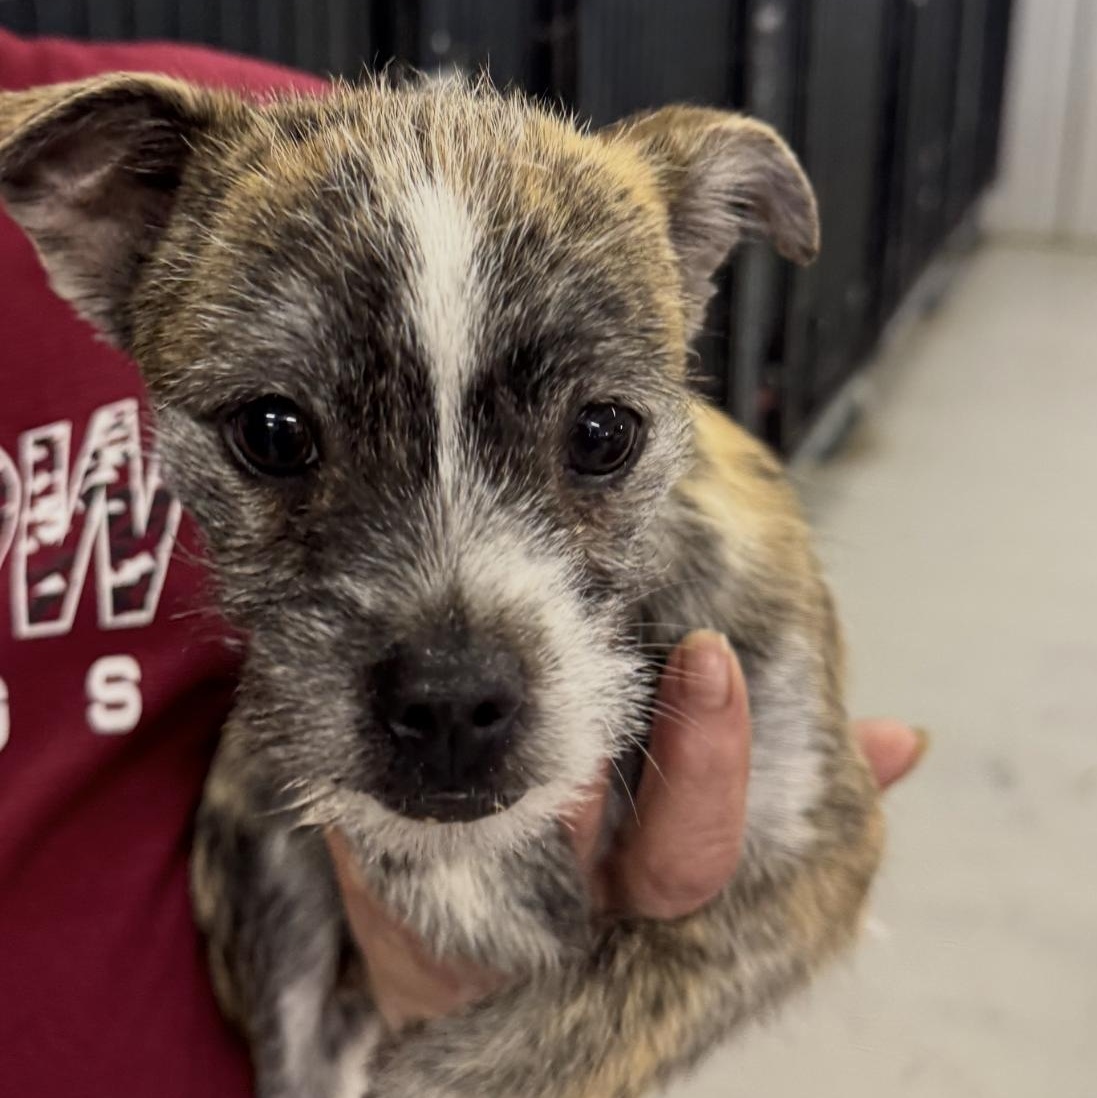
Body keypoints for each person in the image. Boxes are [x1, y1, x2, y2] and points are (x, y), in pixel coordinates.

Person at [0, 27, 924, 1097]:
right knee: (256, 774)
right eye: (275, 438)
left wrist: (496, 1066)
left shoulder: (295, 150)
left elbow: (812, 880)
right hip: (255, 963)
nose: (450, 670)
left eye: (597, 442)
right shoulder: (200, 195)